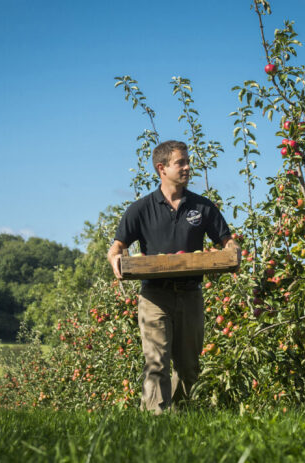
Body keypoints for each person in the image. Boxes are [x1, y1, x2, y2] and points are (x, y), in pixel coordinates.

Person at [107, 140, 239, 413]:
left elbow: (228, 242)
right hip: (155, 296)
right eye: (181, 162)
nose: (188, 167)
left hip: (190, 294)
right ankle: (156, 421)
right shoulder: (141, 209)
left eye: (187, 161)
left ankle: (183, 418)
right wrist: (116, 259)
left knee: (189, 365)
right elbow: (116, 248)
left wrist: (233, 251)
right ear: (161, 168)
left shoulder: (202, 207)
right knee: (156, 362)